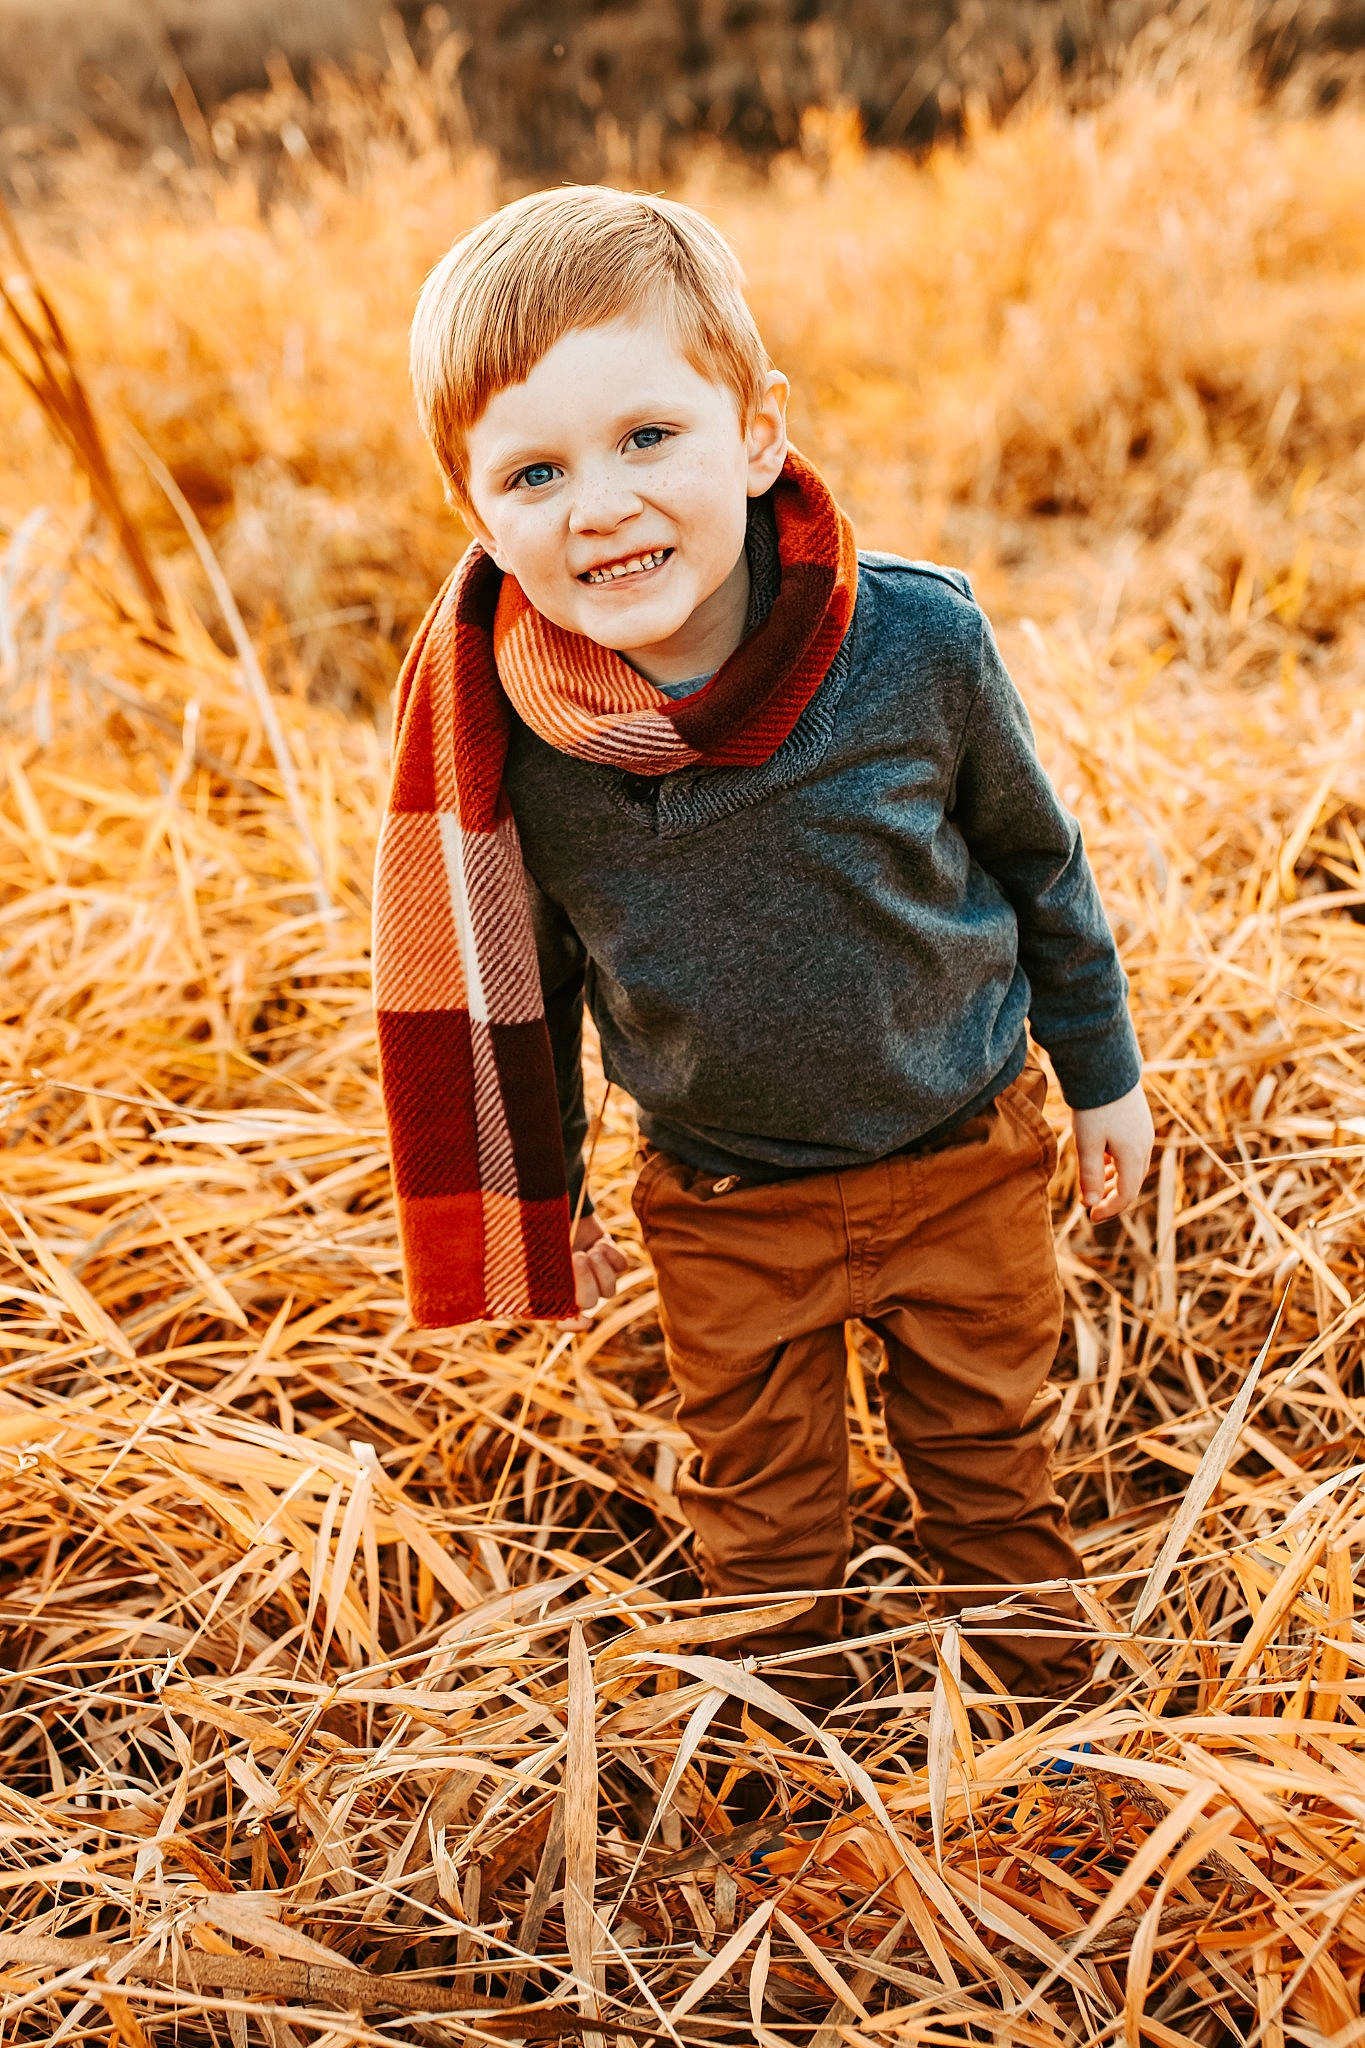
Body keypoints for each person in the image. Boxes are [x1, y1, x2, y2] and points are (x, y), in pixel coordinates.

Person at [372, 185, 1155, 1720]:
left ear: (753, 434)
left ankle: (1062, 1757)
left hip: (962, 1155)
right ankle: (789, 1804)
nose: (599, 503)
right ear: (477, 516)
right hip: (727, 1204)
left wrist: (1101, 1074)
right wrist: (550, 1201)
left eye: (646, 437)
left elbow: (1035, 866)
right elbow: (524, 992)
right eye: (535, 470)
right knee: (765, 1539)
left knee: (992, 1481)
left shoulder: (915, 645)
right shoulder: (516, 745)